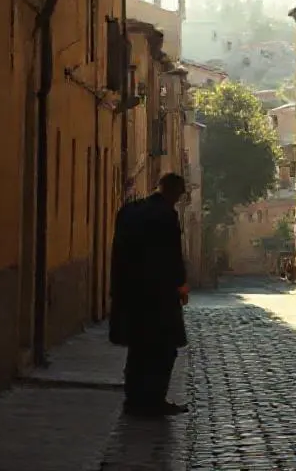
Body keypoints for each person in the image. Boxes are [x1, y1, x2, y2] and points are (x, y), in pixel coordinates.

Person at [109, 173, 191, 417]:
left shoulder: (129, 211)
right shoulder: (166, 215)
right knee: (164, 350)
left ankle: (133, 400)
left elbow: (118, 253)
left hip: (131, 294)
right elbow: (172, 256)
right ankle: (154, 400)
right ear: (176, 193)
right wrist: (181, 284)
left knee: (138, 348)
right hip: (159, 296)